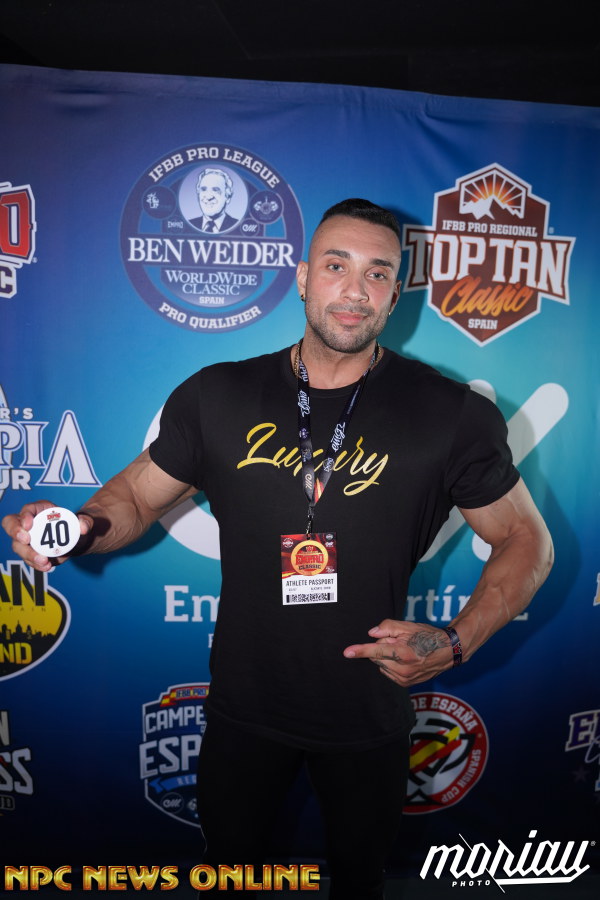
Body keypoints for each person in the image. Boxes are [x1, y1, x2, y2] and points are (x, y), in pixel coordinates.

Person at [3, 199, 553, 899]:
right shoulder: (218, 395)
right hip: (245, 712)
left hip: (369, 711)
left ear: (395, 293)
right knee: (235, 873)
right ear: (301, 278)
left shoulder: (450, 413)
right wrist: (81, 527)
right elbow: (135, 498)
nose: (355, 290)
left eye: (377, 273)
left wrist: (458, 640)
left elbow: (525, 539)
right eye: (336, 266)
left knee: (358, 882)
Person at [187, 167, 239, 232]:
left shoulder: (237, 226)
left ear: (227, 197)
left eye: (215, 190)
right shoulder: (188, 225)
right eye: (203, 189)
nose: (209, 197)